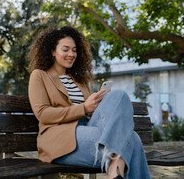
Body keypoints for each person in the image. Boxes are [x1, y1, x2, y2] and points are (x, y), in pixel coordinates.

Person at [28, 26, 151, 179]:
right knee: (132, 139)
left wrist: (98, 105)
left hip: (88, 128)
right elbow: (43, 114)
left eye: (74, 50)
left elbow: (89, 112)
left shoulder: (80, 80)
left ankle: (114, 171)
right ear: (53, 51)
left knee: (119, 96)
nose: (71, 54)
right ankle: (115, 172)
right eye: (65, 50)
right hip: (60, 139)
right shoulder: (40, 76)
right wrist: (84, 108)